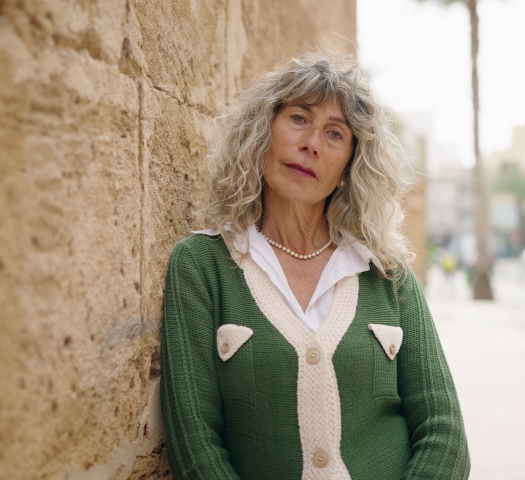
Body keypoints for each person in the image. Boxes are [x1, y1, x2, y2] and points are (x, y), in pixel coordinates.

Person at [160, 51, 470, 480]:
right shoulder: (201, 267)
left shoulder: (388, 277)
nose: (311, 144)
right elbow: (194, 442)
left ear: (348, 167)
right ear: (263, 132)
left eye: (335, 134)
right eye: (299, 119)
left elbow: (444, 433)